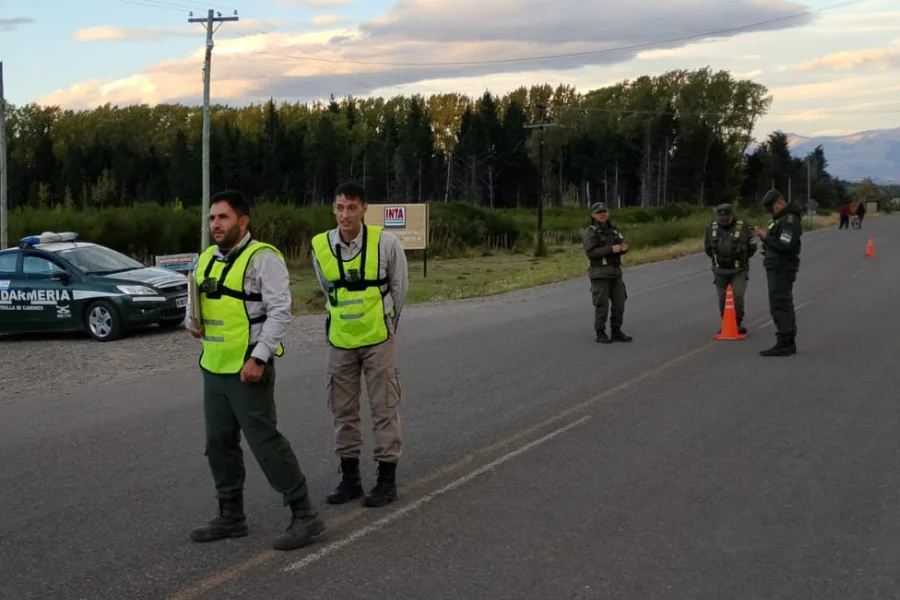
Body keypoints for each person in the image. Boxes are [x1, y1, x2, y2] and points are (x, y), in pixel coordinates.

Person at [185, 190, 324, 551]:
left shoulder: (263, 259)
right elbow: (194, 307)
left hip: (248, 368)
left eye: (223, 217)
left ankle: (305, 514)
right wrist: (191, 323)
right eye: (212, 218)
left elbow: (280, 312)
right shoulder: (204, 261)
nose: (215, 224)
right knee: (219, 443)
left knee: (265, 443)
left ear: (242, 221)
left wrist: (259, 358)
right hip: (213, 367)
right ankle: (231, 516)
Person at [310, 182, 409, 508]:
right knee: (343, 411)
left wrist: (387, 326)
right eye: (339, 207)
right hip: (340, 340)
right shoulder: (321, 246)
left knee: (384, 408)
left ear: (364, 209)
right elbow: (328, 289)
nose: (345, 214)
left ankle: (386, 479)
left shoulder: (386, 243)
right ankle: (350, 478)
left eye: (352, 207)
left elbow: (399, 288)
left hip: (378, 338)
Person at [753, 189, 802, 357]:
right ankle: (787, 341)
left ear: (779, 204)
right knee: (781, 303)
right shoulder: (781, 219)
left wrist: (766, 237)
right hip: (777, 266)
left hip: (782, 267)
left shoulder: (789, 220)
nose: (769, 213)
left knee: (780, 304)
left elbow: (784, 245)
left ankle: (785, 343)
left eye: (771, 208)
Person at [581, 201, 633, 344]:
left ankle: (616, 330)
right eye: (599, 212)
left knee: (619, 303)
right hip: (600, 273)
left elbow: (622, 242)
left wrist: (623, 248)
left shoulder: (614, 230)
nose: (602, 214)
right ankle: (600, 332)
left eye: (604, 212)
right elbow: (591, 252)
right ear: (593, 215)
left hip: (615, 272)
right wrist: (611, 249)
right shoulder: (590, 231)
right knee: (601, 305)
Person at [704, 203, 757, 334]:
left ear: (732, 215)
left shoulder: (744, 228)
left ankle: (737, 322)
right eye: (722, 219)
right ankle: (726, 322)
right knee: (722, 299)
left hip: (738, 270)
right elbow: (708, 249)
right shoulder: (711, 229)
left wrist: (742, 258)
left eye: (727, 218)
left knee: (737, 296)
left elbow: (752, 248)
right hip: (720, 270)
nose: (725, 221)